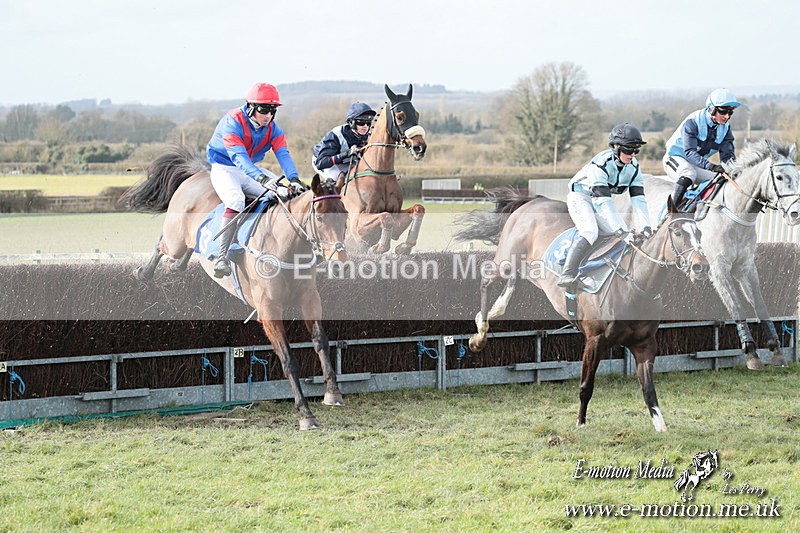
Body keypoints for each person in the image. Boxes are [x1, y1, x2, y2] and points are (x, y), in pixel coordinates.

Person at [206, 82, 305, 278]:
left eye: (272, 110)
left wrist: (294, 179)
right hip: (225, 168)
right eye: (264, 109)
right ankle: (222, 255)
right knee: (235, 200)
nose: (268, 115)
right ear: (250, 107)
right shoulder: (232, 121)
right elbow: (238, 157)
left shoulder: (273, 129)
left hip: (248, 169)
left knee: (286, 193)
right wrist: (260, 178)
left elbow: (283, 154)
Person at [557, 123, 652, 287]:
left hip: (600, 200)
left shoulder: (634, 168)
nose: (633, 154)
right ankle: (567, 273)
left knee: (615, 233)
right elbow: (603, 203)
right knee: (590, 231)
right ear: (615, 147)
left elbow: (639, 200)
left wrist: (646, 228)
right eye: (629, 150)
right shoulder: (600, 165)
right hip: (581, 198)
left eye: (637, 150)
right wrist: (622, 231)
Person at [663, 88, 740, 208]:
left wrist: (734, 171)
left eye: (730, 113)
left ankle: (696, 208)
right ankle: (669, 214)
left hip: (696, 164)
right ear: (711, 108)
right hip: (674, 158)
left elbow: (727, 156)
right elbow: (690, 153)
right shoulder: (693, 122)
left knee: (719, 179)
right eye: (723, 112)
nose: (727, 116)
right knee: (688, 173)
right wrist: (711, 166)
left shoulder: (725, 128)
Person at [312, 102, 376, 181]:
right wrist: (347, 153)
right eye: (361, 122)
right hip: (324, 162)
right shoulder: (335, 136)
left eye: (368, 122)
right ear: (351, 122)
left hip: (346, 162)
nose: (365, 126)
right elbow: (321, 163)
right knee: (339, 179)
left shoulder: (368, 136)